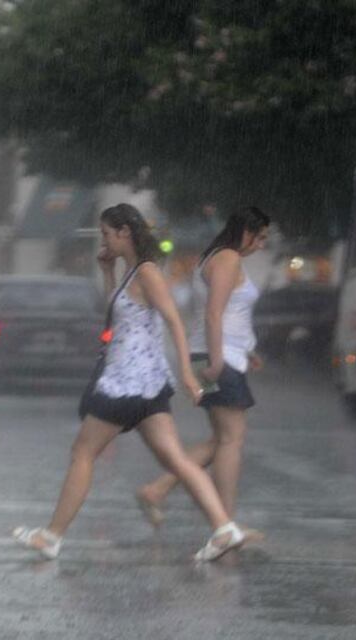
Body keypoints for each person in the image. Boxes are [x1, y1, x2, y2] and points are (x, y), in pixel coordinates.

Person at [12, 204, 245, 562]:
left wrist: (185, 371)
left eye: (106, 234)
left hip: (128, 383)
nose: (103, 240)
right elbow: (119, 315)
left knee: (82, 453)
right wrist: (107, 271)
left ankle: (51, 536)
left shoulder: (148, 272)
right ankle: (224, 528)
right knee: (177, 459)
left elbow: (174, 322)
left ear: (124, 232)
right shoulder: (131, 273)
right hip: (145, 386)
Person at [135, 207, 270, 534]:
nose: (262, 245)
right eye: (261, 237)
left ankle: (158, 490)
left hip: (218, 353)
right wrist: (217, 360)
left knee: (223, 438)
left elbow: (226, 317)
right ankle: (225, 524)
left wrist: (245, 349)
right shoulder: (227, 259)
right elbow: (213, 314)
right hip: (216, 357)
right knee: (231, 441)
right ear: (246, 232)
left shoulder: (217, 257)